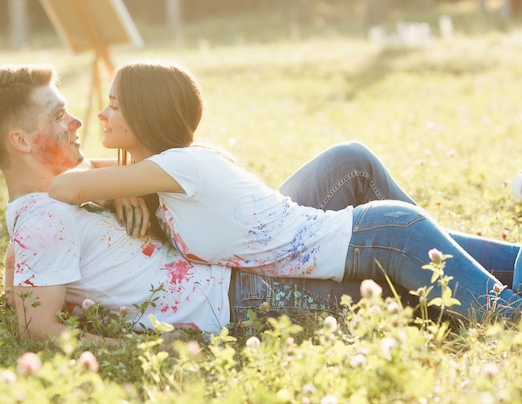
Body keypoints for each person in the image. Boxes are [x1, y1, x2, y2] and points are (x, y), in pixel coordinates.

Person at [48, 60, 522, 323]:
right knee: (508, 270)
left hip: (385, 237)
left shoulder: (178, 167)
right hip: (379, 235)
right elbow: (87, 173)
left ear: (146, 115)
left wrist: (116, 186)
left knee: (506, 318)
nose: (102, 118)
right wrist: (122, 189)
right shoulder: (166, 170)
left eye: (113, 106)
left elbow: (66, 184)